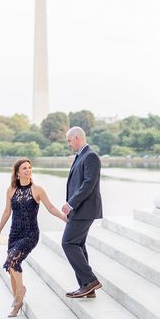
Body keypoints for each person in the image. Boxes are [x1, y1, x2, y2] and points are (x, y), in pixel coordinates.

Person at [0, 157, 66, 317]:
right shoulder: (11, 190)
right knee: (12, 267)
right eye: (24, 168)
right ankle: (16, 303)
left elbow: (51, 207)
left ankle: (20, 293)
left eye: (29, 167)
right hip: (14, 233)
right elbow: (7, 212)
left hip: (30, 233)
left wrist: (63, 218)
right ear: (18, 173)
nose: (28, 170)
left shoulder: (37, 189)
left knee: (12, 260)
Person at [61, 126, 103, 298]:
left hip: (84, 210)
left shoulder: (91, 156)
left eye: (69, 141)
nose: (69, 144)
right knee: (78, 244)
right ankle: (87, 287)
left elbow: (88, 185)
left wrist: (70, 204)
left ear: (77, 138)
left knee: (68, 243)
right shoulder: (81, 156)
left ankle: (91, 280)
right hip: (79, 210)